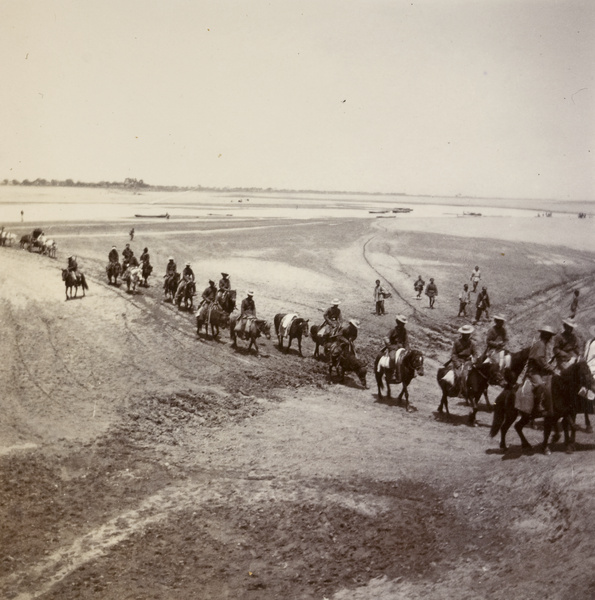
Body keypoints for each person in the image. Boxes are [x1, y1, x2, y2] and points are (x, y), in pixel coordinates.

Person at [526, 326, 556, 415]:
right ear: (546, 336)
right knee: (541, 385)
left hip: (538, 370)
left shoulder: (541, 344)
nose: (550, 337)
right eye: (549, 335)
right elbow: (539, 359)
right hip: (533, 371)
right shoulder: (541, 345)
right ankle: (536, 407)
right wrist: (549, 368)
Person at [448, 324, 478, 392]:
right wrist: (457, 364)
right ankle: (459, 389)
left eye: (468, 334)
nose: (466, 335)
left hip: (468, 361)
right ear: (462, 334)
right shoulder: (457, 342)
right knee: (459, 375)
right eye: (465, 334)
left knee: (474, 375)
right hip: (459, 360)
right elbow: (453, 354)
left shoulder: (472, 343)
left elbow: (475, 354)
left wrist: (474, 360)